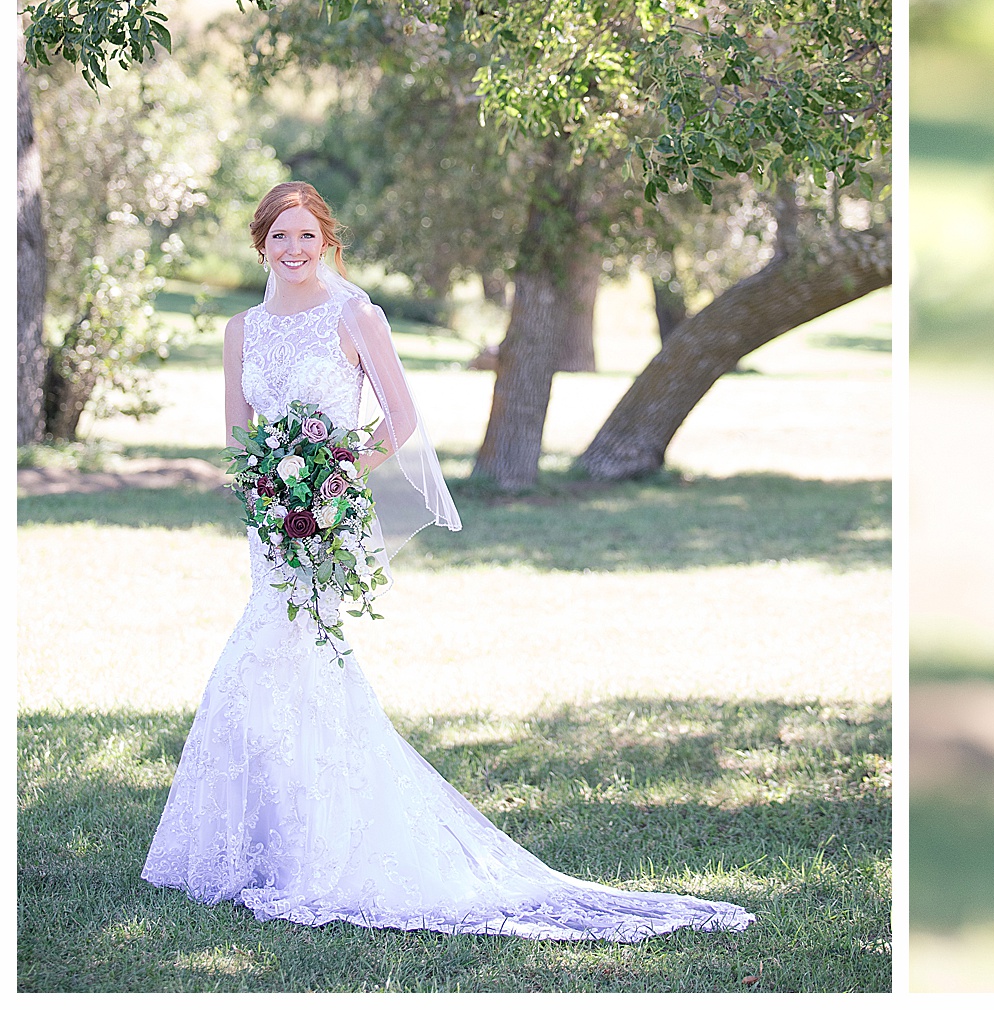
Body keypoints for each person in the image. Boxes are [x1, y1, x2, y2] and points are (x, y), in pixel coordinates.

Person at [142, 181, 753, 940]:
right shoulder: (243, 331)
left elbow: (400, 422)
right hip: (271, 522)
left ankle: (320, 844)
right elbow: (238, 434)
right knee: (271, 660)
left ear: (326, 239)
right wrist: (267, 484)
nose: (293, 250)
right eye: (279, 238)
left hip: (330, 513)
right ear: (260, 244)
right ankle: (265, 842)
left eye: (306, 236)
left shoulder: (355, 315)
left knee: (292, 655)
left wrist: (331, 477)